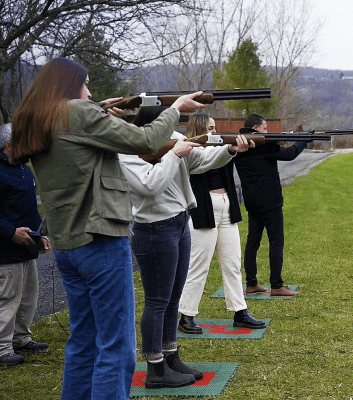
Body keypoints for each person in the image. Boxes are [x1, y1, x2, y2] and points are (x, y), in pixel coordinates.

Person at [10, 57, 206, 399]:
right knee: (116, 348)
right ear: (70, 87)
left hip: (68, 246)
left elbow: (83, 133)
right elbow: (146, 140)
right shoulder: (79, 113)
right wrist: (175, 108)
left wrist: (100, 110)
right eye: (85, 85)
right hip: (101, 241)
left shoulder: (37, 120)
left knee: (83, 343)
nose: (89, 92)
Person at [118, 106, 252, 389]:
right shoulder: (127, 152)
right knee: (157, 301)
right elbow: (150, 186)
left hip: (178, 222)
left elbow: (201, 161)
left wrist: (230, 149)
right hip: (154, 228)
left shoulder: (170, 141)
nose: (172, 132)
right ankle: (155, 367)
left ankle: (171, 356)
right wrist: (173, 154)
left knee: (172, 299)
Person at [178, 113, 265, 335]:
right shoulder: (191, 150)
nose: (214, 131)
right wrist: (229, 149)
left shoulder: (219, 146)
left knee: (232, 262)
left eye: (215, 127)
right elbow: (206, 159)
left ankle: (240, 311)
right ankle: (186, 315)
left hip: (227, 207)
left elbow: (225, 155)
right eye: (209, 128)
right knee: (198, 265)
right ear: (198, 129)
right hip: (204, 208)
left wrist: (238, 148)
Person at [233, 113, 306, 296]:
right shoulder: (263, 145)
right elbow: (290, 154)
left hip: (252, 203)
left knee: (252, 243)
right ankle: (276, 285)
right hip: (271, 202)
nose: (267, 132)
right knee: (276, 243)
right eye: (265, 128)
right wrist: (304, 140)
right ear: (256, 128)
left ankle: (251, 284)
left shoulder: (239, 145)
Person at [0, 123, 51, 368]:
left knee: (28, 297)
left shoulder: (23, 169)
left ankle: (21, 339)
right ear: (8, 146)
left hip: (26, 247)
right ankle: (2, 349)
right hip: (5, 250)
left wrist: (39, 236)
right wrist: (10, 232)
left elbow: (29, 210)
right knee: (8, 298)